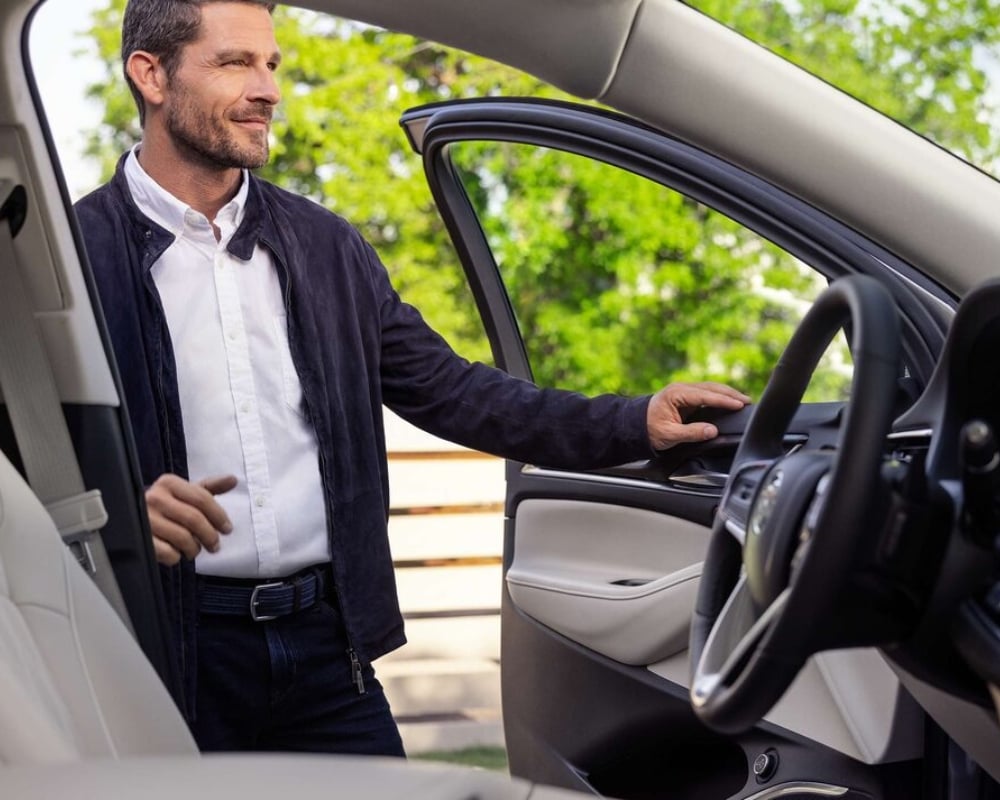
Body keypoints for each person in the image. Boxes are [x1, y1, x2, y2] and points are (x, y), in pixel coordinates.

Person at [75, 0, 750, 757]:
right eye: (235, 63)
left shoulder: (329, 247)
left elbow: (457, 391)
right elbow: (21, 451)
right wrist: (116, 511)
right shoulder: (64, 261)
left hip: (330, 654)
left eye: (271, 65)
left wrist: (633, 422)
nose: (268, 89)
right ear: (151, 75)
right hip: (166, 653)